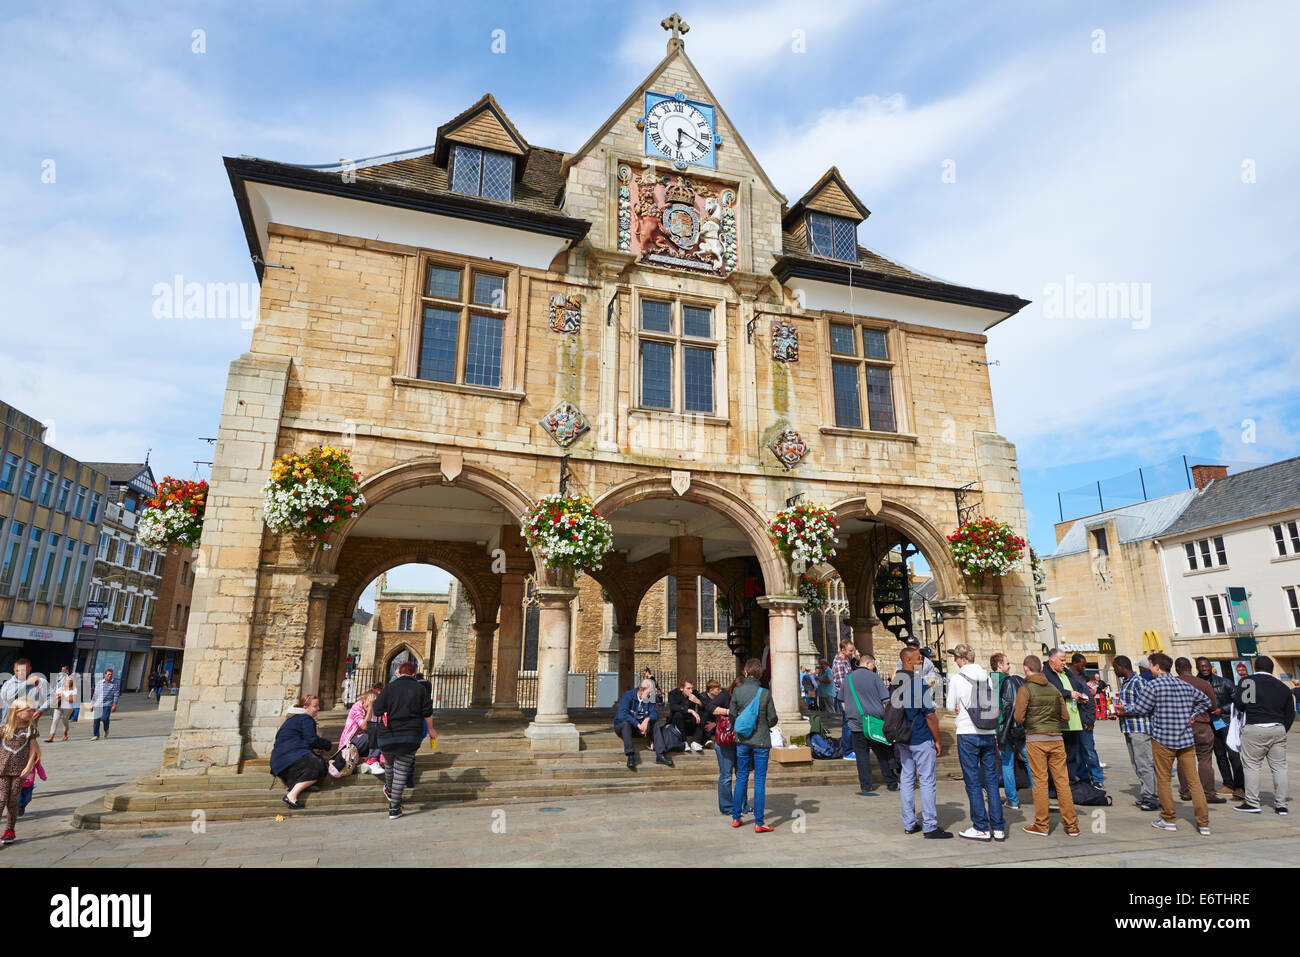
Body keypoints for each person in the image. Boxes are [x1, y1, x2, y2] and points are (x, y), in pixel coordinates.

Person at [1113, 652, 1212, 835]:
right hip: (1185, 739)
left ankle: (1168, 818)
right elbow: (1206, 701)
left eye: (1151, 665)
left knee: (1164, 780)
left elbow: (1141, 708)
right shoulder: (1183, 684)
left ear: (1157, 667)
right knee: (1194, 782)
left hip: (1163, 738)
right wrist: (1192, 715)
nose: (1150, 669)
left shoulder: (1154, 685)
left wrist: (1123, 709)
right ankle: (1203, 822)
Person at [1014, 655, 1079, 837]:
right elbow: (1065, 716)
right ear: (1041, 669)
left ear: (1026, 669)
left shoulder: (1025, 689)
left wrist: (1033, 721)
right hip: (1057, 739)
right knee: (1062, 782)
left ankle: (1041, 825)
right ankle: (1071, 825)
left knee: (1040, 782)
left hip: (1036, 739)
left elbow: (1018, 717)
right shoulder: (1054, 689)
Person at [946, 643, 1005, 841]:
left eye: (956, 657)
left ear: (963, 659)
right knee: (990, 781)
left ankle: (980, 826)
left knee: (972, 781)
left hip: (967, 732)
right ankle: (998, 827)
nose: (954, 660)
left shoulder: (957, 678)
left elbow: (948, 705)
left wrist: (957, 707)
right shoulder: (986, 676)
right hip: (988, 732)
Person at [892, 648, 948, 838]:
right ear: (907, 660)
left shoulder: (897, 682)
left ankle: (909, 823)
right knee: (926, 781)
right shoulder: (918, 684)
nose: (921, 662)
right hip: (920, 737)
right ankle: (930, 826)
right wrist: (938, 740)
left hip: (902, 738)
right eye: (918, 659)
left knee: (907, 779)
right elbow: (930, 715)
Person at [372, 660, 437, 820]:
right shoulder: (420, 689)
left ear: (398, 673)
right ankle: (394, 809)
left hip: (387, 735)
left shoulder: (389, 688)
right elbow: (427, 712)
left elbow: (377, 710)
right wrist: (431, 730)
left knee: (389, 764)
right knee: (401, 770)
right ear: (414, 675)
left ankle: (389, 788)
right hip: (410, 735)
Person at [1232, 655, 1293, 815]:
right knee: (1279, 767)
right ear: (1272, 669)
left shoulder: (1249, 682)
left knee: (1252, 766)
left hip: (1255, 726)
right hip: (1278, 728)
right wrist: (1282, 729)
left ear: (1255, 667)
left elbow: (1240, 704)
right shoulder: (1282, 686)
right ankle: (1281, 805)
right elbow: (1290, 713)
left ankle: (1252, 803)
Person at [730, 657, 778, 832]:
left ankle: (736, 817)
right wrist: (764, 723)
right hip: (761, 740)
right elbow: (773, 718)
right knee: (759, 780)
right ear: (760, 674)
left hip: (742, 740)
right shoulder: (764, 693)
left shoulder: (737, 692)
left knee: (741, 777)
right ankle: (759, 822)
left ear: (745, 672)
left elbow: (732, 717)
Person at [839, 652, 896, 795]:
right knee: (883, 753)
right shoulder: (875, 677)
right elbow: (886, 701)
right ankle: (891, 782)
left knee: (861, 756)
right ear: (868, 663)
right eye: (873, 664)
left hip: (856, 724)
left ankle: (865, 785)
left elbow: (842, 702)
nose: (873, 667)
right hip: (875, 723)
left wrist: (852, 714)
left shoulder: (848, 678)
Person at [1174, 657, 1225, 805]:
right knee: (1205, 759)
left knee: (1183, 759)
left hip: (1181, 726)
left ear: (1177, 669)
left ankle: (1185, 791)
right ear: (1191, 667)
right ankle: (1208, 793)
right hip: (1202, 725)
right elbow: (1213, 705)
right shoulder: (1203, 684)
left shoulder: (1173, 683)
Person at [269, 694, 332, 809]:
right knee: (320, 766)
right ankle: (292, 795)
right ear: (305, 707)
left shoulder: (292, 719)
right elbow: (312, 740)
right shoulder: (306, 718)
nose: (318, 709)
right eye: (315, 706)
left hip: (279, 763)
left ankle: (297, 785)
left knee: (313, 762)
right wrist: (327, 744)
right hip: (291, 758)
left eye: (318, 706)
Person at [1113, 656, 1159, 811]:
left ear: (1121, 666)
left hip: (1140, 729)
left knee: (1144, 763)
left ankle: (1151, 797)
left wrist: (1124, 710)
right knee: (1137, 764)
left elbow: (1147, 705)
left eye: (1115, 667)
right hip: (1129, 728)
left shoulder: (1138, 682)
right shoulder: (1127, 683)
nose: (1114, 671)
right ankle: (1146, 793)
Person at [1198, 657, 1243, 799]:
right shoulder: (1196, 683)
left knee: (1233, 754)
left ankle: (1240, 786)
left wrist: (1222, 710)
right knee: (1220, 755)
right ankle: (1228, 784)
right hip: (1209, 724)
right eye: (1201, 666)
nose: (1204, 668)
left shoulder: (1225, 682)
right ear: (1197, 667)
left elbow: (1238, 702)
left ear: (1211, 666)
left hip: (1226, 722)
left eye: (1206, 666)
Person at [704, 678, 750, 816]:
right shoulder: (724, 695)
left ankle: (743, 805)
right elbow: (710, 707)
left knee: (742, 775)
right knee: (726, 775)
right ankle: (727, 807)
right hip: (725, 741)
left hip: (741, 739)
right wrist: (730, 711)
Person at [1043, 649, 1088, 782]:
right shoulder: (1046, 674)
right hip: (1060, 723)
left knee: (1072, 757)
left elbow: (1077, 686)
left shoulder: (1066, 673)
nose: (1064, 663)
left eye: (1065, 660)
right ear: (1052, 659)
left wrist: (1081, 695)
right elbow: (1051, 691)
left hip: (1073, 721)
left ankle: (1070, 783)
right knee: (1058, 758)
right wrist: (1069, 693)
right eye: (1061, 660)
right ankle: (1057, 786)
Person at [992, 653, 1030, 810]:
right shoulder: (1009, 680)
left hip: (1001, 729)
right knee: (1029, 760)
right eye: (1007, 663)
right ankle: (1041, 795)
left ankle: (1013, 801)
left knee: (1007, 763)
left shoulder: (990, 681)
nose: (1009, 665)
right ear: (999, 665)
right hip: (1015, 726)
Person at [0, 697, 39, 845]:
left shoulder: (30, 730)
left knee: (12, 799)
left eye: (32, 710)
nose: (32, 712)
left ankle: (10, 829)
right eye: (28, 710)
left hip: (20, 771)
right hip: (2, 769)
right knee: (1, 799)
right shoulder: (4, 729)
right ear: (17, 712)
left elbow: (33, 751)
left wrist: (28, 767)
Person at [615, 678, 673, 769]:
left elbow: (654, 713)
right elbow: (622, 715)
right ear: (642, 690)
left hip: (642, 728)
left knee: (655, 724)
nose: (651, 694)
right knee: (625, 724)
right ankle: (630, 755)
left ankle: (660, 755)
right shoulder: (628, 696)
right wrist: (638, 725)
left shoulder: (648, 698)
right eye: (649, 692)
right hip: (625, 727)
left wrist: (646, 720)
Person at [1068, 653, 1104, 785]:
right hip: (1073, 720)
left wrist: (1090, 719)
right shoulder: (1069, 677)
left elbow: (1090, 702)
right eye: (1082, 664)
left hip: (1084, 720)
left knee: (1089, 750)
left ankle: (1097, 778)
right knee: (1077, 752)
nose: (1084, 667)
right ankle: (1082, 775)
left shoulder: (1083, 678)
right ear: (1075, 663)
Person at [335, 686, 384, 776]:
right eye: (368, 701)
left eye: (373, 702)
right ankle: (372, 761)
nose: (370, 704)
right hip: (349, 744)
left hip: (365, 744)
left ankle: (365, 764)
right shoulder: (356, 707)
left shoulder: (375, 712)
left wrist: (382, 758)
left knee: (380, 732)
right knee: (374, 730)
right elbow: (364, 726)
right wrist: (370, 709)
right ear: (363, 699)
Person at [667, 679, 708, 751]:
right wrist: (690, 711)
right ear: (681, 688)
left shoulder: (695, 693)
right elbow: (673, 706)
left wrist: (698, 701)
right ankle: (684, 742)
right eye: (688, 688)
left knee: (703, 714)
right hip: (677, 725)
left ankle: (696, 741)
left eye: (692, 688)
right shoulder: (673, 693)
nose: (691, 691)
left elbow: (707, 705)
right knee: (678, 714)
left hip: (689, 723)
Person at [47, 670, 76, 743]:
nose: (67, 682)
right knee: (55, 721)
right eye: (66, 680)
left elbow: (71, 700)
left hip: (68, 708)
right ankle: (51, 737)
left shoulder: (74, 690)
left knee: (65, 722)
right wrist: (57, 695)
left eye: (69, 681)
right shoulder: (61, 688)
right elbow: (56, 695)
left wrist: (63, 696)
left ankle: (65, 733)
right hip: (58, 706)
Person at [90, 668, 119, 739]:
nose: (110, 676)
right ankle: (96, 735)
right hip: (98, 704)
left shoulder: (115, 683)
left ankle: (106, 729)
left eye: (111, 675)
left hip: (107, 704)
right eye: (108, 674)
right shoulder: (100, 683)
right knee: (96, 720)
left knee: (105, 718)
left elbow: (116, 695)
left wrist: (114, 705)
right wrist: (92, 704)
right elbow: (95, 694)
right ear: (105, 675)